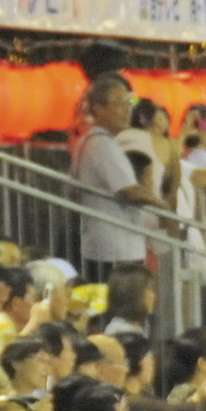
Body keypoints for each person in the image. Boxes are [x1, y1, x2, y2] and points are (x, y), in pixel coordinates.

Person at [73, 74, 165, 283]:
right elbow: (128, 189)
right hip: (116, 250)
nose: (127, 110)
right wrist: (162, 205)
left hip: (104, 245)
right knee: (122, 305)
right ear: (98, 108)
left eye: (128, 103)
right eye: (119, 104)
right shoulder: (101, 144)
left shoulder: (91, 141)